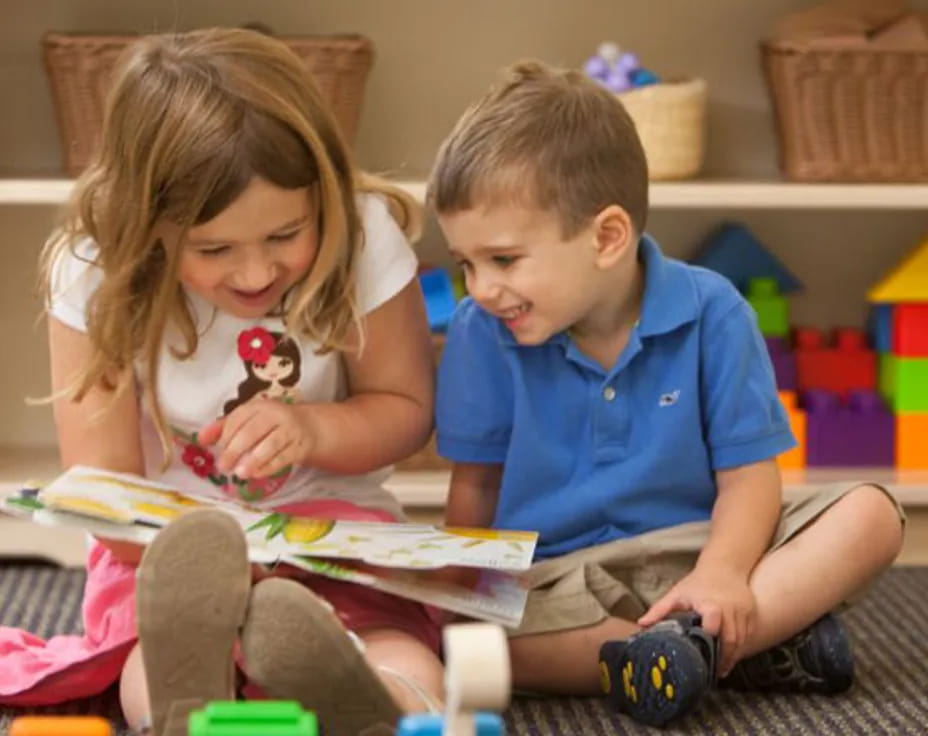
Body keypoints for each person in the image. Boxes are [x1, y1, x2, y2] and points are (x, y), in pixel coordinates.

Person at [428, 60, 905, 727]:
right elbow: (476, 485)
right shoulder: (484, 331)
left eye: (503, 260)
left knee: (871, 514)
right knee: (455, 645)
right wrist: (456, 595)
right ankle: (743, 644)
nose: (479, 287)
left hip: (707, 548)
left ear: (607, 237)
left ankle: (703, 635)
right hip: (559, 579)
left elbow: (748, 480)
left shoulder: (715, 311)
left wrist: (722, 573)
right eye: (466, 264)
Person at [0, 27, 443, 736]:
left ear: (323, 194)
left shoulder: (360, 234)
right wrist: (219, 568)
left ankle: (374, 705)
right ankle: (191, 715)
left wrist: (314, 429)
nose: (254, 273)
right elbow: (103, 491)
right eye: (213, 249)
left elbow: (408, 409)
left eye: (284, 235)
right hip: (167, 554)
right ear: (147, 227)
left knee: (403, 652)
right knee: (156, 658)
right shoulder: (95, 267)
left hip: (332, 534)